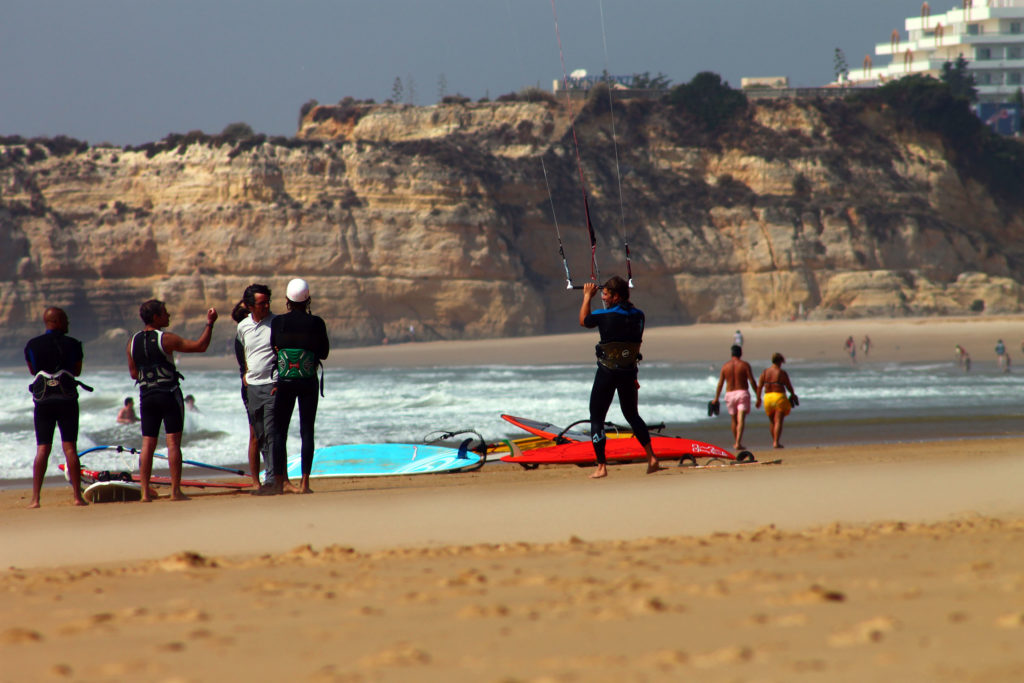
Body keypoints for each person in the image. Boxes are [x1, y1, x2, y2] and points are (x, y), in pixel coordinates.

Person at [126, 299, 218, 502]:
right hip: (168, 394)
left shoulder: (132, 342)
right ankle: (175, 491)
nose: (168, 315)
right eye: (165, 313)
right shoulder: (166, 339)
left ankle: (144, 493)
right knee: (173, 443)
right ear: (156, 317)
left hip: (146, 396)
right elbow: (200, 346)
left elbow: (134, 374)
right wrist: (210, 323)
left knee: (147, 443)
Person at [579, 276, 661, 479]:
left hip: (607, 372)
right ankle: (651, 457)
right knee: (632, 414)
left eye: (606, 294)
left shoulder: (604, 315)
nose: (603, 297)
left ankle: (601, 466)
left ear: (616, 296)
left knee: (597, 418)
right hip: (629, 372)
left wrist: (587, 296)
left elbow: (584, 321)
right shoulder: (639, 316)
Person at [269, 279, 330, 494]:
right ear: (308, 299)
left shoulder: (278, 322)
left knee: (279, 432)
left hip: (285, 381)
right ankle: (305, 483)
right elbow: (324, 353)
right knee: (307, 431)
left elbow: (274, 347)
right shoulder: (317, 323)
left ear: (287, 300)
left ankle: (279, 482)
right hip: (307, 381)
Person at [24, 307, 89, 508]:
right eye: (66, 319)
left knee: (42, 448)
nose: (68, 323)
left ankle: (35, 499)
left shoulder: (32, 345)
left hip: (43, 401)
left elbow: (33, 371)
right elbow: (76, 371)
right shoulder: (73, 344)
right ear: (57, 321)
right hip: (67, 400)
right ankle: (77, 497)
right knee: (70, 448)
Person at [236, 284, 279, 493]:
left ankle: (272, 479)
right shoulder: (242, 326)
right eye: (262, 303)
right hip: (252, 387)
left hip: (272, 385)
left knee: (272, 432)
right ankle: (264, 479)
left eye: (268, 302)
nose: (266, 306)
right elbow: (242, 352)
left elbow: (283, 352)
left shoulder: (277, 323)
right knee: (259, 435)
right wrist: (244, 374)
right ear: (250, 306)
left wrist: (279, 382)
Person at [232, 299, 262, 488]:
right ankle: (256, 481)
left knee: (266, 434)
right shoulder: (242, 336)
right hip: (251, 386)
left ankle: (272, 477)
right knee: (255, 435)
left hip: (258, 385)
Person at [711, 345, 758, 450]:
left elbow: (720, 384)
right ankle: (738, 442)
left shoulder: (725, 366)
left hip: (730, 394)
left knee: (733, 419)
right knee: (741, 419)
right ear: (740, 353)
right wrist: (758, 395)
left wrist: (716, 398)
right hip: (742, 393)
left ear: (731, 354)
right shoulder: (744, 365)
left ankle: (736, 441)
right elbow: (752, 381)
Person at [756, 352, 797, 449]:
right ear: (780, 361)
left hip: (767, 397)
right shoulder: (781, 372)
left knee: (772, 422)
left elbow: (760, 387)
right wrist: (793, 394)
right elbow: (788, 386)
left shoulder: (765, 372)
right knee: (778, 421)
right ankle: (776, 442)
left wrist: (758, 399)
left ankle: (774, 440)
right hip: (779, 397)